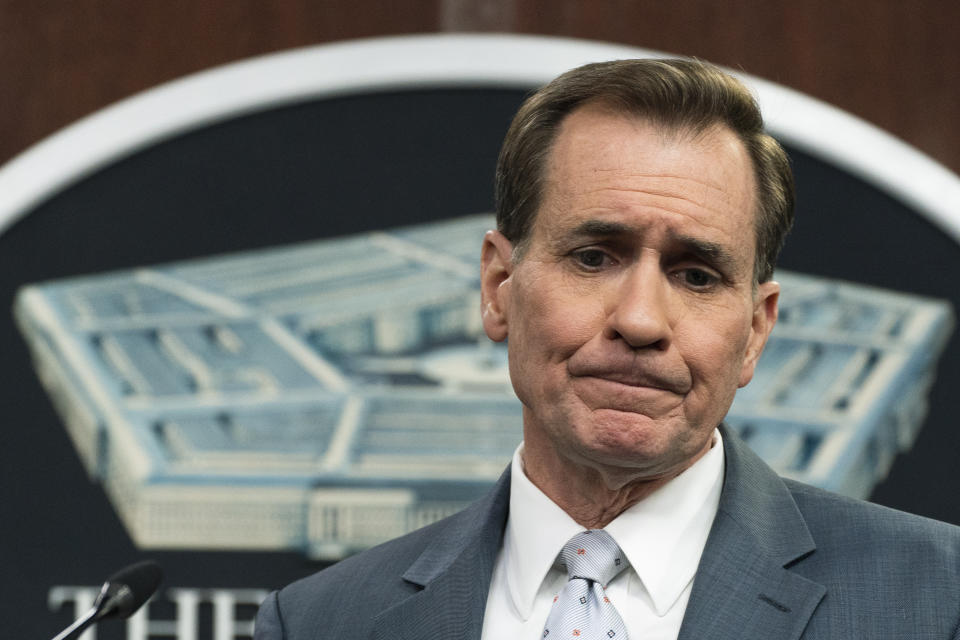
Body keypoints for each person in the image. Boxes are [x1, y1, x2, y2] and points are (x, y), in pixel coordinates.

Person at [254, 59, 960, 639]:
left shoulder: (938, 598)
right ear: (499, 287)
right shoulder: (322, 622)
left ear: (755, 331)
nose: (642, 319)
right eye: (594, 257)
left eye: (696, 275)